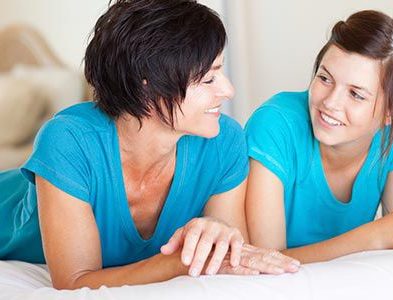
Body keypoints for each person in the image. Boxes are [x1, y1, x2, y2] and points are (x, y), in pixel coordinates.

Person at [0, 0, 299, 289]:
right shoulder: (68, 141)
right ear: (148, 84)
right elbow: (75, 282)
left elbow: (230, 256)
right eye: (209, 79)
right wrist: (179, 263)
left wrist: (218, 234)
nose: (228, 90)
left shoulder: (223, 140)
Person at [244, 10, 393, 263]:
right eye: (325, 78)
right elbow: (266, 259)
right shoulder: (274, 125)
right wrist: (378, 234)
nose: (330, 103)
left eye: (356, 94)